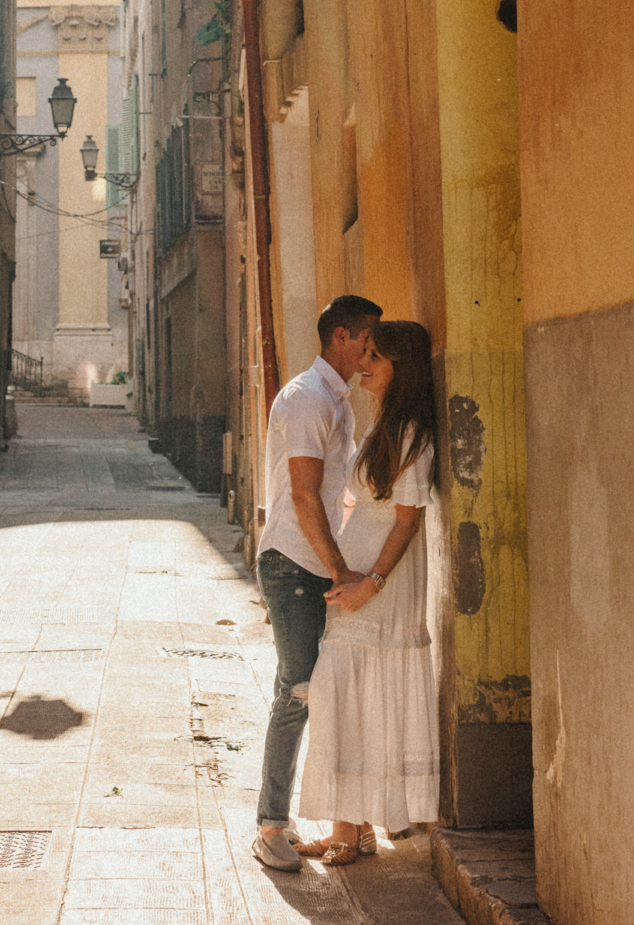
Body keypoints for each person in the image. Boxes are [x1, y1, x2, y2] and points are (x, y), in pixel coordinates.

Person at [294, 319, 439, 865]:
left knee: (349, 693)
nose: (364, 364)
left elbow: (406, 521)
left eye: (376, 356)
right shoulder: (384, 425)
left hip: (384, 583)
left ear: (403, 368)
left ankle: (351, 832)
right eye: (365, 354)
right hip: (359, 578)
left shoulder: (411, 432)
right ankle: (346, 831)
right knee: (345, 697)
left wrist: (371, 584)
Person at [251, 293, 383, 874]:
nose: (370, 351)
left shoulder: (334, 398)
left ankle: (346, 821)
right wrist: (339, 570)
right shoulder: (308, 399)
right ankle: (271, 825)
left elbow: (335, 493)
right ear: (340, 338)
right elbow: (304, 494)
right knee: (297, 691)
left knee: (323, 689)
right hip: (294, 564)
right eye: (365, 340)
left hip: (313, 563)